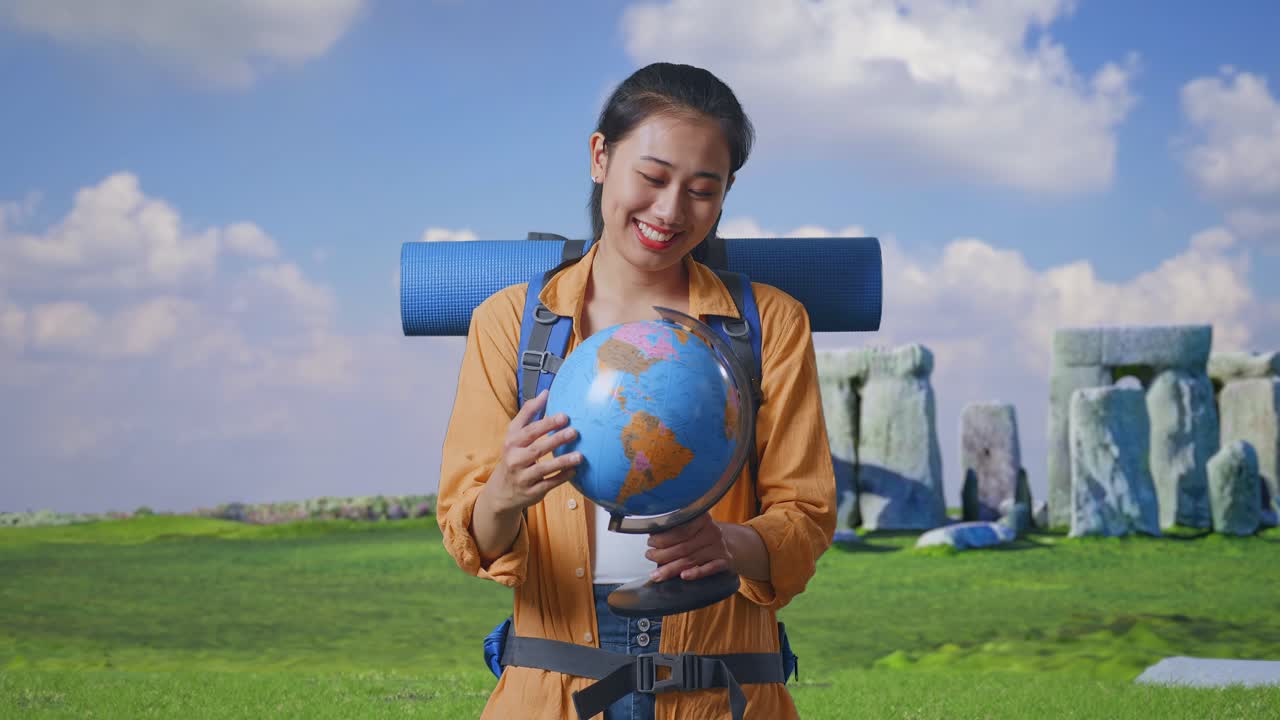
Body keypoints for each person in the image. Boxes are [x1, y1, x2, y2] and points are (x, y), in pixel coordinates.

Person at [438, 62, 836, 720]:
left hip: (725, 696)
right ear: (600, 156)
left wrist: (731, 545)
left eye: (703, 190)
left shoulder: (773, 326)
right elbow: (473, 537)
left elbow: (806, 517)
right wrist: (505, 492)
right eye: (651, 178)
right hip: (551, 695)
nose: (670, 210)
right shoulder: (509, 323)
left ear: (728, 191)